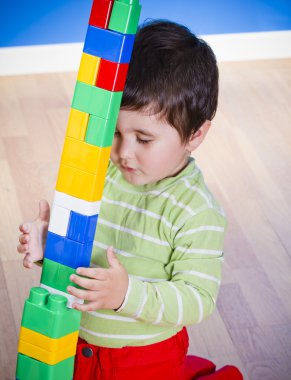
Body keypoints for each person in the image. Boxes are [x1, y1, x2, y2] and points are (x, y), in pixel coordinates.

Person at [17, 20, 243, 380]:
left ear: (195, 134)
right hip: (78, 340)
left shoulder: (197, 212)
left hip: (144, 358)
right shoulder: (101, 175)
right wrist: (51, 244)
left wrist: (127, 295)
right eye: (116, 132)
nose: (123, 152)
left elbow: (198, 298)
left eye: (144, 138)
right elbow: (80, 254)